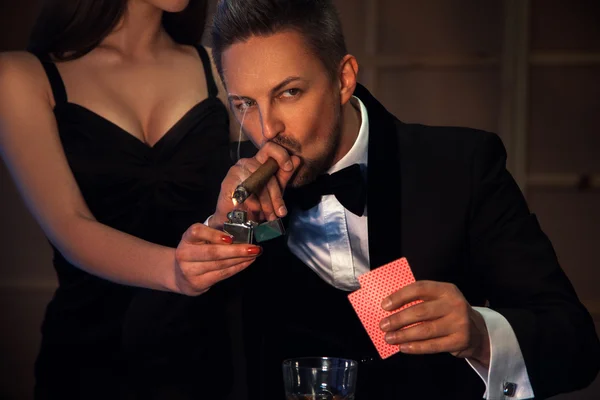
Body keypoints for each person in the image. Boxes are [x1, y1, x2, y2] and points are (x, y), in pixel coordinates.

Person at [207, 0, 600, 399]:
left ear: (343, 79)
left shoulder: (461, 165)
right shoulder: (229, 193)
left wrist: (480, 335)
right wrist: (221, 230)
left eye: (290, 92)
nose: (267, 128)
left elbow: (576, 346)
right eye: (245, 104)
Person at [0, 0, 271, 398]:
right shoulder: (21, 76)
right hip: (90, 355)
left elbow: (269, 195)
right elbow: (70, 223)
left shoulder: (220, 64)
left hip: (208, 352)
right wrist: (177, 271)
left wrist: (238, 213)